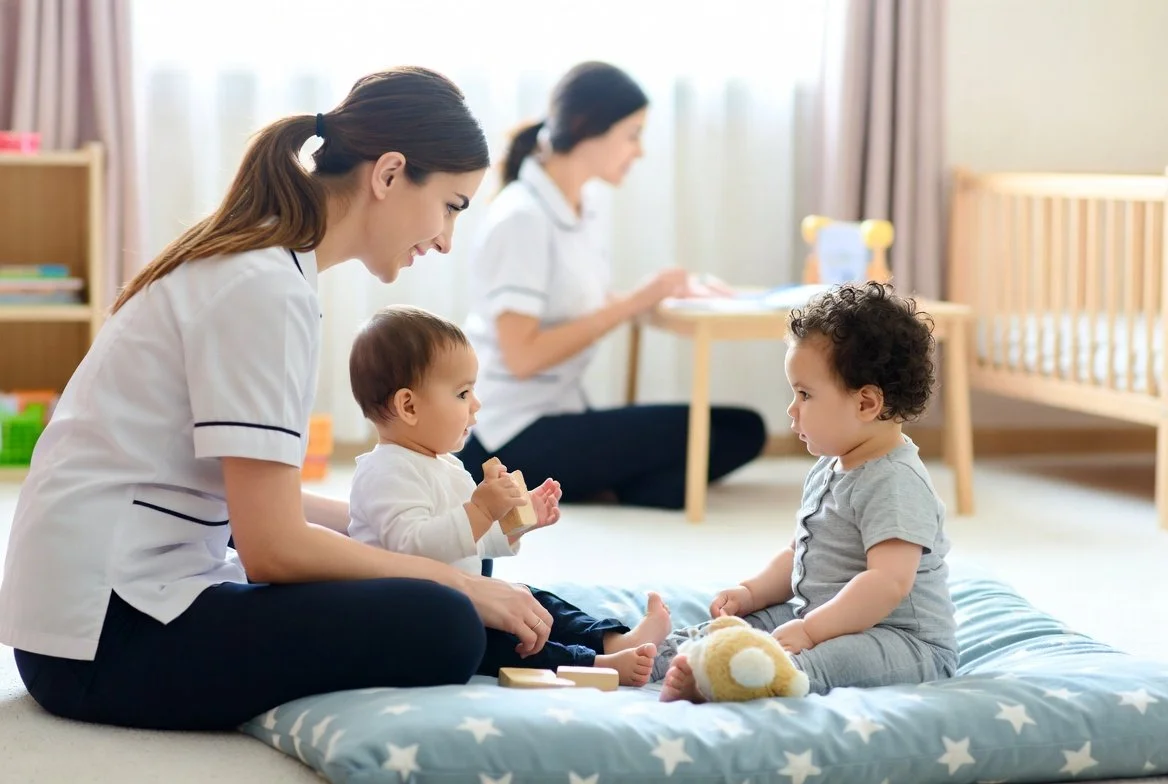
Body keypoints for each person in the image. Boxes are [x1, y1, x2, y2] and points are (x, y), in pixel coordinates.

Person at [0, 67, 560, 733]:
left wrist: (396, 529)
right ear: (387, 174)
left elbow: (256, 503)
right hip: (104, 639)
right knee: (444, 617)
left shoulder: (264, 264)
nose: (445, 239)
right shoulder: (264, 288)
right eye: (451, 206)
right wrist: (452, 582)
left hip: (103, 612)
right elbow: (271, 547)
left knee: (447, 554)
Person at [455, 61, 767, 514]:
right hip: (511, 433)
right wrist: (636, 301)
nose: (638, 151)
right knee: (734, 433)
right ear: (590, 128)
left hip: (561, 411)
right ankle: (600, 486)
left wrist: (670, 295)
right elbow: (523, 355)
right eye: (633, 134)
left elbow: (584, 307)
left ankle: (609, 485)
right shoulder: (523, 217)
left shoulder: (584, 206)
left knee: (738, 428)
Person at [653, 282, 959, 700]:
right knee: (744, 626)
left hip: (900, 640)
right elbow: (798, 552)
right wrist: (751, 593)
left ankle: (735, 678)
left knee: (816, 660)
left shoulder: (896, 482)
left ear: (866, 403)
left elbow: (887, 583)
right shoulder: (829, 466)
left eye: (805, 394)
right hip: (819, 614)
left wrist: (812, 631)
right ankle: (675, 656)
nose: (791, 409)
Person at [346, 305, 670, 686]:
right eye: (463, 392)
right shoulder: (385, 471)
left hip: (462, 592)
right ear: (409, 405)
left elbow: (470, 546)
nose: (476, 403)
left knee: (531, 601)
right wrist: (482, 508)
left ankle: (613, 638)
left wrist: (517, 523)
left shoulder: (445, 464)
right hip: (412, 617)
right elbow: (413, 547)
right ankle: (593, 665)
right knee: (506, 641)